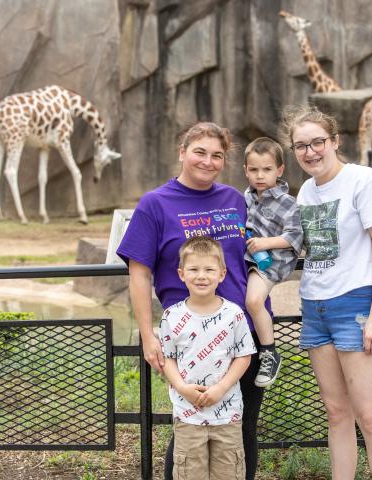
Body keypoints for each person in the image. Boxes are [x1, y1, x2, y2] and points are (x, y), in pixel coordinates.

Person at [116, 122, 265, 480]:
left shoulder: (234, 199)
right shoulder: (155, 204)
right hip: (186, 339)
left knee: (241, 429)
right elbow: (139, 273)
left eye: (217, 155)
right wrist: (148, 334)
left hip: (240, 335)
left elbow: (256, 256)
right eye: (200, 152)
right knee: (189, 430)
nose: (208, 161)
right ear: (182, 152)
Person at [279, 105, 372, 479]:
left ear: (334, 141)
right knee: (336, 413)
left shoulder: (365, 182)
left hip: (358, 306)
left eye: (317, 142)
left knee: (369, 415)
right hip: (316, 307)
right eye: (301, 146)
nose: (310, 152)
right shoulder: (305, 195)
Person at [159, 236, 256, 479]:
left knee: (228, 472)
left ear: (222, 274)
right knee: (190, 472)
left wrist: (221, 388)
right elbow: (168, 358)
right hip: (188, 413)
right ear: (181, 274)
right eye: (193, 269)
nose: (201, 276)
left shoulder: (233, 314)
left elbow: (243, 357)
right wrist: (182, 387)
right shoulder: (171, 316)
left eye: (209, 269)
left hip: (228, 413)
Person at [243, 137, 303, 387]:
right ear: (245, 170)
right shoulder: (246, 197)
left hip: (271, 262)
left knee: (254, 300)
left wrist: (266, 243)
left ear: (279, 171)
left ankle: (269, 352)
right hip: (247, 258)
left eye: (267, 170)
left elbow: (295, 235)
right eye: (254, 169)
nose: (260, 175)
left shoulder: (288, 203)